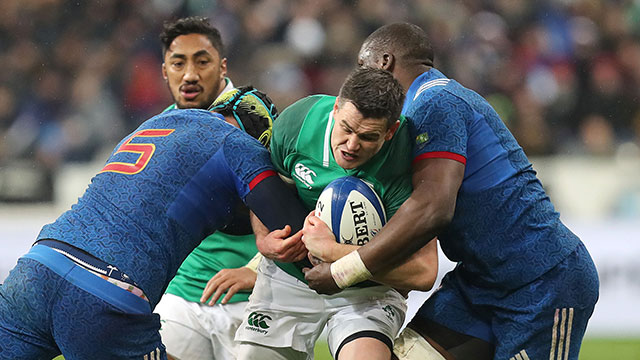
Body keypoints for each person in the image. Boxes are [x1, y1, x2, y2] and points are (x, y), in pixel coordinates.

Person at [302, 23, 600, 360]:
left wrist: (343, 268)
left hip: (541, 281)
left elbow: (433, 208)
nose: (358, 79)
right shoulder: (416, 111)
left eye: (361, 65)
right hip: (479, 283)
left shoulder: (435, 100)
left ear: (384, 62)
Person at [0, 87, 310, 360]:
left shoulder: (156, 123)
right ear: (263, 137)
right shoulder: (241, 145)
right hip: (106, 291)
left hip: (36, 270)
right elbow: (292, 227)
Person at [235, 67, 439, 360]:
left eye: (368, 137)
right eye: (346, 128)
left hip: (368, 289)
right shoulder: (297, 124)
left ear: (391, 131)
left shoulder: (409, 160)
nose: (352, 145)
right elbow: (266, 193)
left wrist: (332, 252)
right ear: (336, 108)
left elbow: (423, 271)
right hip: (289, 279)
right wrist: (264, 240)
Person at [153, 16, 261, 360]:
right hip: (182, 297)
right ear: (164, 71)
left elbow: (289, 213)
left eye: (202, 61)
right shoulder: (159, 133)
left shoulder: (258, 123)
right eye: (178, 62)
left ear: (222, 66)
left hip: (255, 298)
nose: (190, 74)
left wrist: (256, 271)